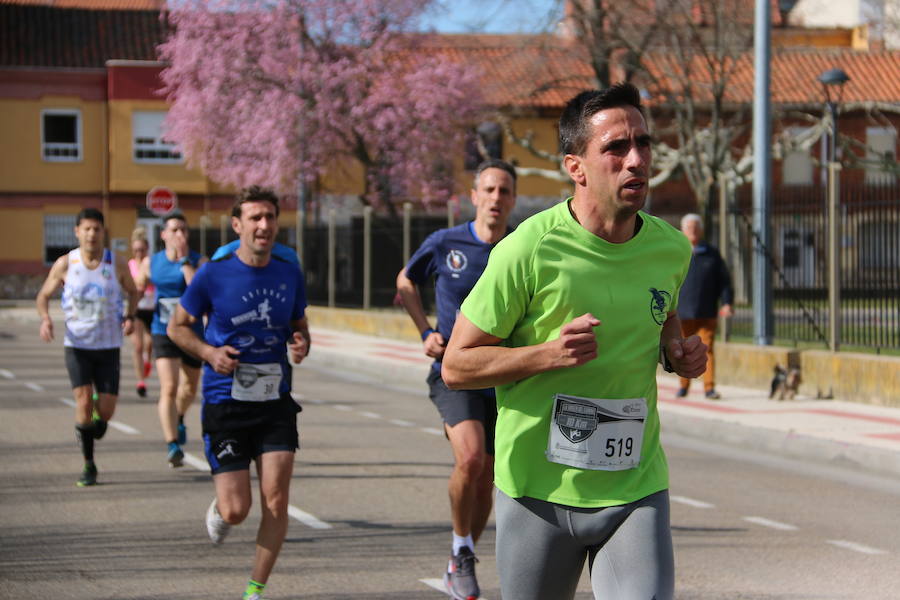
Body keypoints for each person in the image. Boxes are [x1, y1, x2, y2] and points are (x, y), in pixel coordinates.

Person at [441, 84, 708, 600]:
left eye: (643, 144)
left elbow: (664, 312)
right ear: (576, 166)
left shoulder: (671, 248)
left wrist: (678, 354)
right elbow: (457, 365)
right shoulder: (527, 250)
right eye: (615, 148)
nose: (636, 160)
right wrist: (545, 354)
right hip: (538, 493)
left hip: (634, 485)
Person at [167, 187, 310, 600]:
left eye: (269, 217)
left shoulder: (289, 272)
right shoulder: (213, 273)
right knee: (237, 509)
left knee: (277, 498)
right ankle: (222, 510)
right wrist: (209, 352)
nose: (263, 226)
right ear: (237, 225)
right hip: (226, 401)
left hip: (275, 400)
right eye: (254, 218)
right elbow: (179, 326)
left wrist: (301, 344)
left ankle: (254, 589)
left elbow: (300, 328)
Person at [396, 158, 517, 600]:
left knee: (487, 478)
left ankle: (460, 554)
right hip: (455, 374)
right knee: (469, 459)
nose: (496, 199)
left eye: (504, 191)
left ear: (513, 200)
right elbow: (406, 281)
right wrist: (425, 331)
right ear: (474, 197)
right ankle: (462, 550)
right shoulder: (446, 242)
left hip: (503, 376)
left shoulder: (522, 246)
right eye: (489, 190)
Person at [36, 208, 139, 487]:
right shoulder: (65, 264)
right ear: (77, 232)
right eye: (87, 229)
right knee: (82, 400)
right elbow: (43, 296)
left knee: (105, 411)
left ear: (103, 232)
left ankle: (97, 417)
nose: (92, 234)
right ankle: (89, 465)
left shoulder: (116, 263)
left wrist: (129, 316)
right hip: (77, 345)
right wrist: (45, 319)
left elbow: (134, 291)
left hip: (108, 347)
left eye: (97, 229)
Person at [135, 213, 207, 468]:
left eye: (184, 230)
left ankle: (179, 417)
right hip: (162, 330)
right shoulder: (152, 262)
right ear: (163, 234)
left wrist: (185, 259)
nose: (180, 235)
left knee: (189, 389)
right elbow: (138, 288)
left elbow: (197, 288)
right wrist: (129, 309)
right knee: (169, 387)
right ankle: (172, 443)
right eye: (175, 230)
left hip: (192, 332)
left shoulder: (199, 261)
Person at [676, 213, 734, 400]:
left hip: (706, 312)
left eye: (695, 227)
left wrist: (727, 303)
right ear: (682, 230)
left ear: (701, 230)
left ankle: (709, 388)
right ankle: (683, 386)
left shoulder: (712, 253)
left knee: (707, 349)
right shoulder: (676, 252)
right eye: (689, 227)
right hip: (681, 313)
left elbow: (724, 281)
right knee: (683, 351)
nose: (692, 230)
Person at [128, 227, 155, 397]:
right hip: (137, 308)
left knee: (149, 344)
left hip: (152, 308)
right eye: (136, 250)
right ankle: (141, 382)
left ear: (147, 249)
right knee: (137, 345)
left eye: (142, 250)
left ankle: (147, 360)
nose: (139, 253)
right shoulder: (129, 265)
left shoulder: (152, 263)